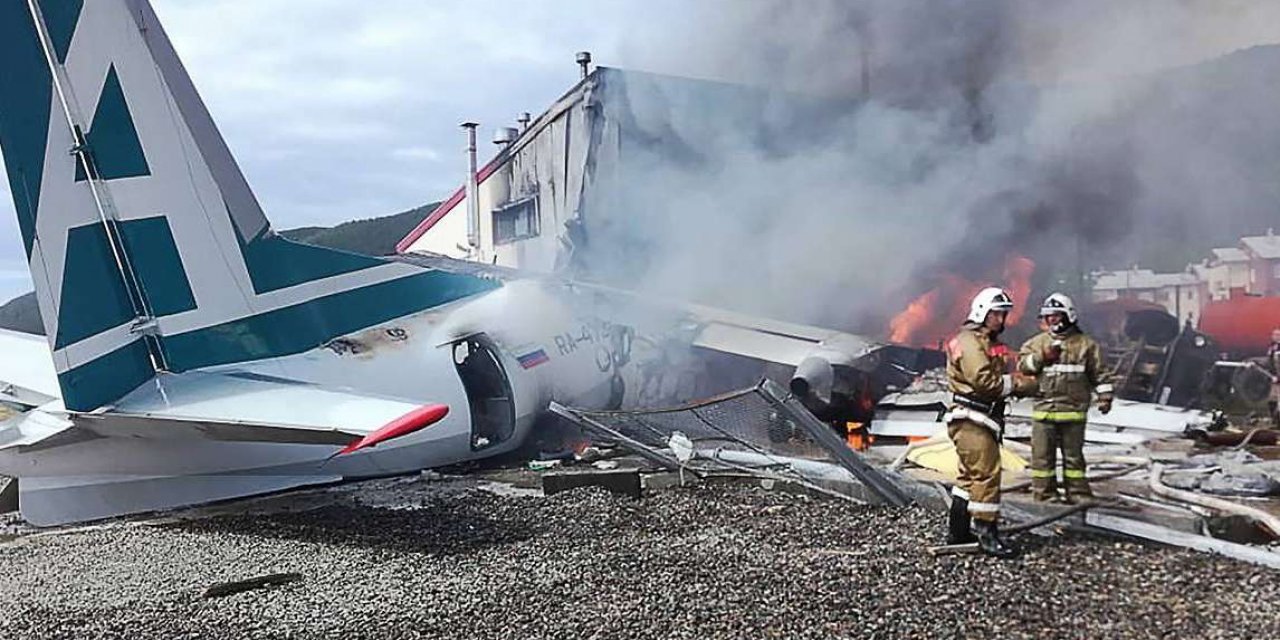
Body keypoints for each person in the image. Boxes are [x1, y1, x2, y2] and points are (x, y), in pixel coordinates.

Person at [944, 287, 1033, 558]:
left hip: (979, 418)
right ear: (983, 312)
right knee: (986, 476)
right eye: (997, 314)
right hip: (974, 417)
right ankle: (987, 536)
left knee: (968, 479)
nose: (1002, 320)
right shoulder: (971, 342)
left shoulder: (981, 341)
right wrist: (1021, 384)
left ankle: (958, 533)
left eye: (1003, 314)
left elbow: (1000, 365)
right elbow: (985, 382)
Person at [1018, 293, 1113, 503]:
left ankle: (1078, 494)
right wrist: (1043, 356)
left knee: (1074, 460)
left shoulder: (1086, 345)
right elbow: (1023, 366)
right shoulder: (1036, 343)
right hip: (1045, 412)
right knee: (1042, 460)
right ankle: (1045, 496)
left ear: (1068, 315)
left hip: (1073, 412)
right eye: (1048, 316)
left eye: (1056, 315)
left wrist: (1105, 396)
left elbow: (1100, 373)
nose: (1051, 320)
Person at [1267, 328, 1280, 425]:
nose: (1275, 336)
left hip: (1278, 378)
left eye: (1277, 335)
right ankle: (1274, 419)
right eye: (1274, 335)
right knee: (1272, 399)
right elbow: (1270, 362)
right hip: (1274, 377)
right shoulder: (1272, 347)